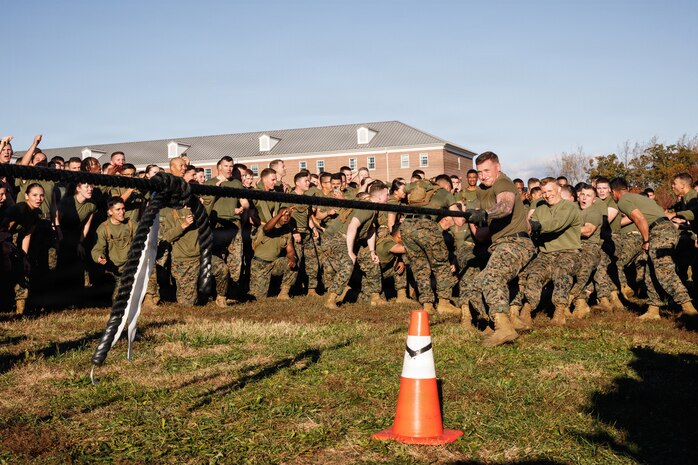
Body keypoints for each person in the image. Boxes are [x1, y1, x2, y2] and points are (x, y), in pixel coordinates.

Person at [464, 152, 534, 347]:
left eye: (487, 170)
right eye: (479, 172)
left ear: (498, 167)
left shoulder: (503, 183)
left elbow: (505, 207)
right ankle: (497, 322)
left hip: (516, 243)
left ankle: (504, 328)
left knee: (492, 277)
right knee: (474, 286)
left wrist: (484, 214)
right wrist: (470, 219)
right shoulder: (480, 191)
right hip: (499, 245)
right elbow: (483, 233)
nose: (483, 175)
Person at [610, 178, 697, 320]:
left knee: (664, 271)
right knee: (651, 271)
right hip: (666, 229)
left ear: (613, 192)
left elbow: (639, 219)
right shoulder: (637, 197)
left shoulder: (623, 201)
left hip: (659, 231)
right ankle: (653, 309)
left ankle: (688, 308)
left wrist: (646, 240)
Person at [401, 175, 463, 314]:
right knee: (441, 266)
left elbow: (404, 189)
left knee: (420, 266)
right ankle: (444, 303)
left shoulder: (422, 188)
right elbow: (459, 222)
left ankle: (427, 305)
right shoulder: (445, 193)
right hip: (426, 226)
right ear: (447, 186)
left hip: (407, 226)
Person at [321, 181, 389, 309]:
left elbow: (371, 230)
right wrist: (350, 252)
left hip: (348, 239)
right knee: (347, 264)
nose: (388, 198)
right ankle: (331, 299)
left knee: (371, 260)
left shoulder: (374, 209)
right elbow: (352, 226)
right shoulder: (367, 207)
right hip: (335, 239)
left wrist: (372, 251)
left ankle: (375, 297)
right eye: (386, 195)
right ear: (379, 197)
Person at [523, 178, 581, 326]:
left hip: (568, 252)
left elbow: (556, 224)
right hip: (546, 253)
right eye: (544, 192)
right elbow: (532, 231)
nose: (547, 195)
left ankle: (560, 311)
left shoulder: (570, 207)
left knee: (562, 272)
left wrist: (534, 225)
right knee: (533, 275)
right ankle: (527, 310)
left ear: (559, 190)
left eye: (550, 191)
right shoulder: (540, 208)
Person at [1, 183, 45, 314]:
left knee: (23, 269)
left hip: (11, 244)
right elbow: (4, 229)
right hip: (3, 240)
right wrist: (5, 251)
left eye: (42, 195)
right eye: (35, 195)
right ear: (26, 196)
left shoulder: (36, 213)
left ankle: (20, 311)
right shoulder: (19, 209)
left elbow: (27, 236)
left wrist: (24, 257)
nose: (39, 198)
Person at [249, 207, 298, 300]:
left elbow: (290, 250)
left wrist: (292, 259)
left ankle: (284, 293)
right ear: (278, 215)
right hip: (260, 265)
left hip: (274, 263)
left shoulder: (287, 232)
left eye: (288, 216)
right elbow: (267, 228)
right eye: (283, 216)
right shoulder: (268, 226)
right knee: (258, 298)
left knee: (293, 263)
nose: (286, 218)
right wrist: (279, 214)